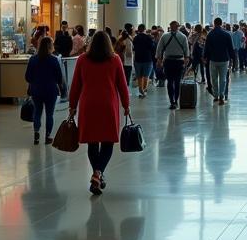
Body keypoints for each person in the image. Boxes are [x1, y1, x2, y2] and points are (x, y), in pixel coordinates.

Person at [68, 30, 130, 196]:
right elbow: (122, 85)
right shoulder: (115, 59)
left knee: (92, 142)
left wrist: (72, 105)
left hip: (88, 105)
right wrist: (126, 104)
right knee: (108, 142)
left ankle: (97, 173)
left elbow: (76, 85)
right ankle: (98, 173)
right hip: (108, 105)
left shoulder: (82, 60)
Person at [25, 36, 65, 145]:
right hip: (50, 91)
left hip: (36, 90)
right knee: (49, 114)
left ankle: (36, 134)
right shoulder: (54, 60)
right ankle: (47, 136)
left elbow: (27, 77)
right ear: (50, 46)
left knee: (37, 112)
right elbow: (59, 78)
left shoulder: (33, 59)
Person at [155, 21, 189, 110]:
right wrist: (186, 59)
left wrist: (159, 59)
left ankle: (171, 101)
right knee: (177, 81)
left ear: (170, 26)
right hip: (179, 61)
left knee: (170, 82)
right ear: (178, 27)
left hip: (168, 61)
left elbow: (159, 48)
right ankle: (176, 101)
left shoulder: (165, 36)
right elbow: (186, 49)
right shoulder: (182, 36)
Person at [204, 18, 236, 105]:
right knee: (223, 79)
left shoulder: (210, 34)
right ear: (221, 24)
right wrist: (233, 58)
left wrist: (205, 57)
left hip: (213, 59)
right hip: (224, 60)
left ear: (214, 23)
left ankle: (215, 96)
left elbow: (206, 48)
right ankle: (222, 96)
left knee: (213, 78)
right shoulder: (226, 34)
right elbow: (230, 48)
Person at [131, 24, 155, 99]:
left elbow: (134, 48)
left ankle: (140, 90)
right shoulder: (148, 37)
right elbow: (152, 47)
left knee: (139, 76)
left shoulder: (135, 38)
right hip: (147, 59)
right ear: (144, 29)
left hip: (138, 59)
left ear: (138, 29)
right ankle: (144, 91)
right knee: (146, 76)